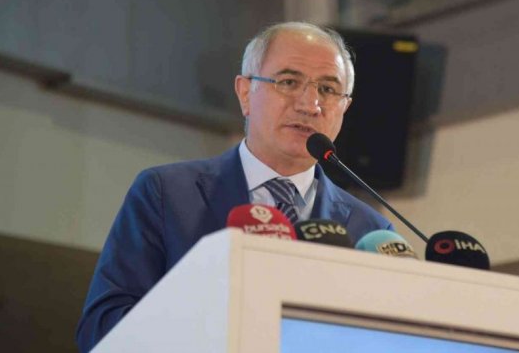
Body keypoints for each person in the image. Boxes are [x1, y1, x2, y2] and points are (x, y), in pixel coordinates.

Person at [75, 22, 393, 351]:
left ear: (344, 107)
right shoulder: (166, 194)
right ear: (245, 93)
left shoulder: (370, 232)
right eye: (288, 82)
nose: (310, 104)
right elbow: (102, 329)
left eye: (327, 89)